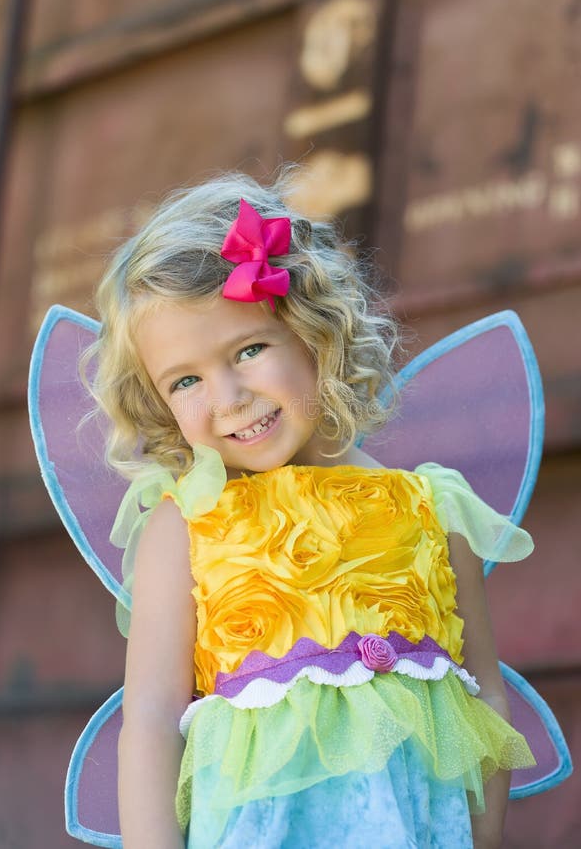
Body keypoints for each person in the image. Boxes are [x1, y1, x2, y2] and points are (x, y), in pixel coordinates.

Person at [87, 171, 535, 849]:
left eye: (248, 350)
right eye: (186, 380)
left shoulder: (433, 511)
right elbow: (149, 719)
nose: (229, 395)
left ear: (314, 333)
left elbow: (485, 702)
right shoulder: (186, 525)